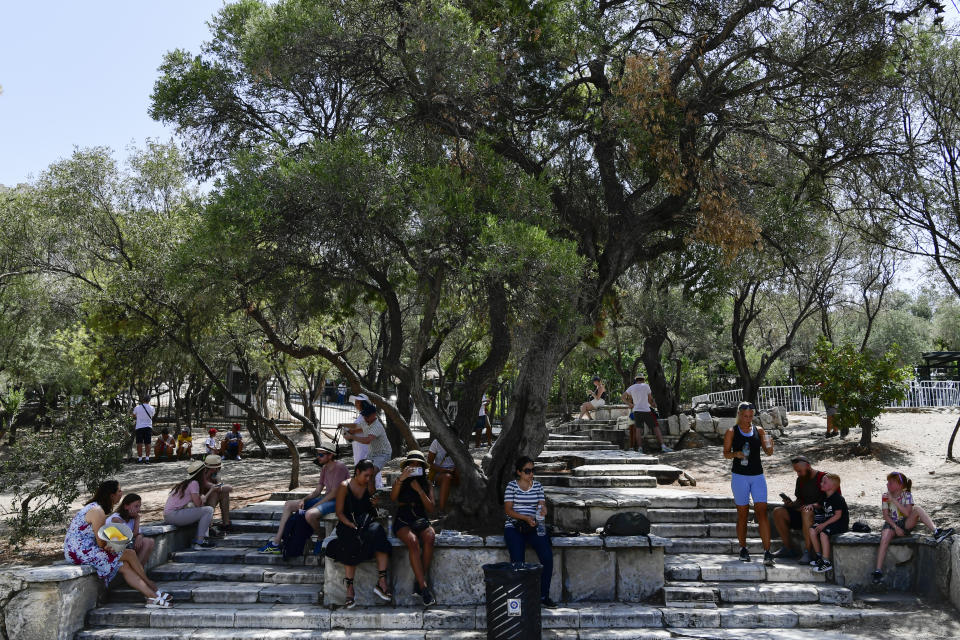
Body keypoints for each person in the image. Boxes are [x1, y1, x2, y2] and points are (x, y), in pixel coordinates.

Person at [66, 480, 171, 608]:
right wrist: (115, 545)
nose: (121, 493)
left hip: (83, 549)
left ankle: (151, 597)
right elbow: (102, 544)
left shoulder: (97, 509)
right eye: (119, 491)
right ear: (112, 495)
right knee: (130, 553)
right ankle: (151, 585)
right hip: (80, 552)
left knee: (124, 565)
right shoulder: (97, 511)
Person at [324, 459, 393, 608]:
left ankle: (381, 581)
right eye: (366, 476)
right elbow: (339, 512)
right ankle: (350, 589)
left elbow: (371, 510)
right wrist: (350, 524)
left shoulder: (369, 486)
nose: (368, 479)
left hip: (365, 523)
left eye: (371, 476)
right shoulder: (344, 486)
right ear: (357, 472)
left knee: (379, 533)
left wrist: (374, 503)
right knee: (350, 541)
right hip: (348, 524)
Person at [259, 444, 350, 554]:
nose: (318, 457)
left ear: (330, 456)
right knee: (289, 504)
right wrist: (304, 500)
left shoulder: (339, 467)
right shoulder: (324, 469)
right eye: (318, 454)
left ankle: (321, 537)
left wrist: (316, 505)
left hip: (338, 501)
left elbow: (335, 493)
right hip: (326, 499)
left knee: (309, 514)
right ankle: (276, 542)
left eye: (321, 455)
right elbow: (317, 491)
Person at [872, 471, 954, 584]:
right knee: (885, 537)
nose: (887, 485)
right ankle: (878, 571)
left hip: (905, 522)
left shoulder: (907, 495)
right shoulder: (885, 496)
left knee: (918, 509)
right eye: (887, 482)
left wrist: (894, 500)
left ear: (900, 485)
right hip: (892, 523)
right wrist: (895, 527)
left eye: (891, 482)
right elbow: (886, 516)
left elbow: (907, 513)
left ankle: (936, 532)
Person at [723, 401, 775, 566]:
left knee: (762, 513)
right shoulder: (732, 431)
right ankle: (743, 548)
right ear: (739, 415)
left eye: (751, 416)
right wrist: (736, 454)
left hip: (757, 476)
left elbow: (768, 452)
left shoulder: (759, 430)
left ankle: (767, 552)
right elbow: (726, 454)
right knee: (743, 514)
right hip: (739, 476)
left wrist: (770, 446)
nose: (748, 419)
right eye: (745, 416)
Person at [503, 456, 557, 609]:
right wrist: (525, 518)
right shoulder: (512, 486)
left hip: (534, 525)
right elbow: (508, 510)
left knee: (547, 557)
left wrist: (543, 511)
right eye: (527, 471)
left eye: (533, 470)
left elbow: (542, 506)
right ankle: (519, 597)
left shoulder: (538, 486)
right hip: (515, 526)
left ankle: (543, 595)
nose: (531, 474)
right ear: (519, 472)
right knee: (518, 561)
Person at [391, 450, 437, 606]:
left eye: (419, 465)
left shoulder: (426, 483)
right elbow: (393, 498)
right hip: (403, 517)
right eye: (412, 464)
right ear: (407, 465)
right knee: (412, 541)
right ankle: (423, 587)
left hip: (420, 516)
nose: (415, 466)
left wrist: (419, 490)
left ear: (423, 467)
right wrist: (401, 479)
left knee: (430, 537)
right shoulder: (400, 480)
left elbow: (431, 508)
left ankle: (420, 580)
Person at [772, 455, 830, 563]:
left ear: (808, 466)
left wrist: (812, 506)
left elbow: (830, 501)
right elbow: (800, 499)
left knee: (806, 511)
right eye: (796, 472)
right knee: (778, 511)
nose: (798, 474)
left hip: (819, 515)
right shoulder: (801, 479)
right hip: (803, 513)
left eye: (799, 471)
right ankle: (788, 548)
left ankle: (808, 552)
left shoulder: (824, 477)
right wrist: (791, 504)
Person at [163, 461, 217, 550]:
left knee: (203, 511)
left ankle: (203, 539)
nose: (205, 474)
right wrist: (209, 492)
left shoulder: (188, 482)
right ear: (201, 473)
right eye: (204, 472)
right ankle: (199, 543)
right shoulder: (194, 483)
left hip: (170, 515)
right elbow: (199, 504)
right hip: (173, 515)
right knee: (208, 510)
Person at [344, 404, 392, 494]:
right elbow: (355, 426)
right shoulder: (366, 422)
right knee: (361, 472)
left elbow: (367, 440)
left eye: (367, 416)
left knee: (371, 474)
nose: (365, 418)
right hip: (372, 453)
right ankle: (362, 494)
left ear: (374, 415)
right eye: (364, 416)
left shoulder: (377, 426)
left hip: (383, 453)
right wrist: (343, 424)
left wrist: (352, 437)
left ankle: (373, 501)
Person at [808, 473, 849, 573]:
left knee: (823, 533)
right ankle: (819, 556)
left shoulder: (837, 498)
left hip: (839, 523)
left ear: (833, 486)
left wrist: (824, 524)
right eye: (822, 481)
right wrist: (811, 505)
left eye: (824, 482)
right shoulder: (825, 496)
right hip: (830, 522)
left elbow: (838, 515)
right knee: (812, 530)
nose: (821, 484)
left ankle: (826, 562)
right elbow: (819, 505)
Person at [342, 394, 383, 489]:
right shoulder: (362, 415)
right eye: (356, 402)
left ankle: (373, 488)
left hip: (366, 447)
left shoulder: (367, 415)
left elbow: (362, 427)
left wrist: (350, 431)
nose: (356, 404)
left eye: (358, 402)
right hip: (360, 446)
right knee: (362, 465)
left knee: (368, 466)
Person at [622, 375, 672, 453]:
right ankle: (663, 446)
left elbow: (623, 397)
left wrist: (629, 404)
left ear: (636, 380)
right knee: (656, 427)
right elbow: (650, 400)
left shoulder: (631, 387)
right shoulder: (646, 386)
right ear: (643, 380)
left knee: (638, 429)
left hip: (637, 411)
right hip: (646, 410)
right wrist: (654, 405)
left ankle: (640, 448)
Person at [109, 493, 155, 566]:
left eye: (139, 506)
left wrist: (139, 536)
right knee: (144, 543)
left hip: (126, 545)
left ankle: (138, 570)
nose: (138, 509)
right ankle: (138, 572)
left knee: (149, 541)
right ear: (126, 506)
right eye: (136, 506)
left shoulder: (131, 517)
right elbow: (129, 535)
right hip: (113, 548)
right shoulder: (116, 519)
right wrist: (137, 519)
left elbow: (138, 533)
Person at [199, 454, 233, 533]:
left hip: (206, 501)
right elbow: (217, 487)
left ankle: (226, 523)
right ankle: (208, 525)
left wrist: (219, 483)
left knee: (224, 493)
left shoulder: (214, 475)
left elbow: (223, 487)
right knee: (214, 493)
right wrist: (220, 486)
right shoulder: (201, 475)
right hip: (198, 503)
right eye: (216, 468)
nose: (218, 469)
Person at [427, 438, 458, 513]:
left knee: (460, 474)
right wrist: (444, 470)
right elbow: (429, 463)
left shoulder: (459, 443)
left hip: (455, 472)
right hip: (440, 473)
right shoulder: (436, 442)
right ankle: (441, 510)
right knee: (447, 477)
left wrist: (455, 470)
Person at [133, 396, 155, 463]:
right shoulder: (152, 408)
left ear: (142, 400)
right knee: (147, 443)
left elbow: (133, 415)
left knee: (139, 443)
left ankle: (140, 459)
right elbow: (152, 415)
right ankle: (147, 458)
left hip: (139, 427)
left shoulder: (137, 407)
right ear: (149, 400)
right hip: (148, 426)